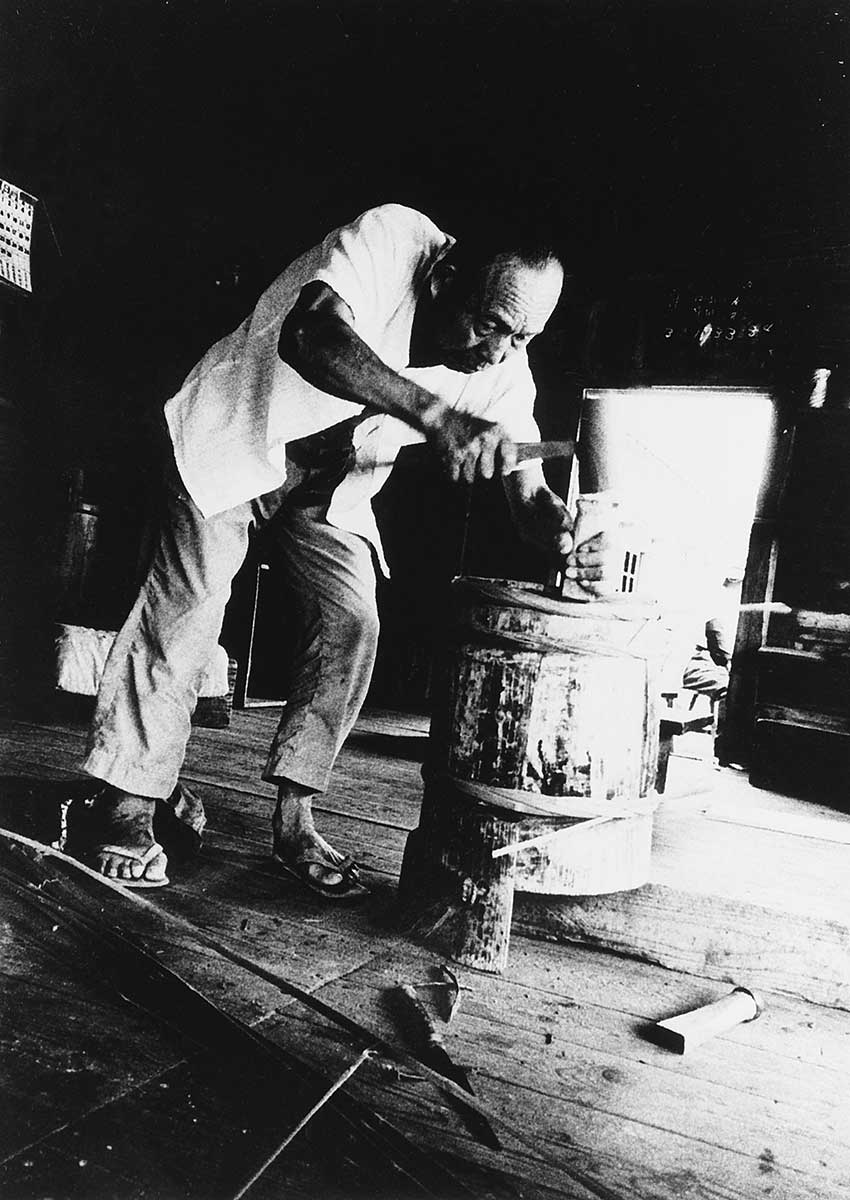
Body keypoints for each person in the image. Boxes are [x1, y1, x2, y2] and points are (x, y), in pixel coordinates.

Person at [72, 203, 618, 897]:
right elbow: (311, 335)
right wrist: (434, 414)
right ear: (447, 278)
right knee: (186, 615)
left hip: (332, 486)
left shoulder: (504, 366)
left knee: (352, 623)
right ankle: (129, 801)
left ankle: (296, 815)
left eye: (522, 337)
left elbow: (528, 492)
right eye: (490, 325)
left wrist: (561, 533)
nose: (498, 352)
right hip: (238, 438)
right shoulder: (392, 239)